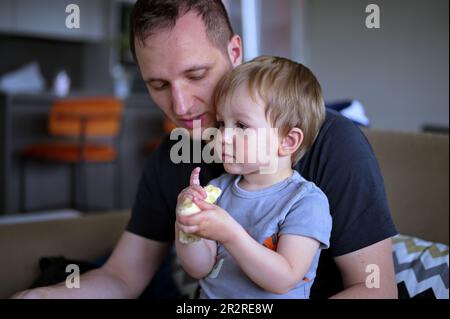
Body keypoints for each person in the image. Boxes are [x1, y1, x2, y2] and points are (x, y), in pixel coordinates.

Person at [14, 0, 398, 299]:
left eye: (195, 75)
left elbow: (376, 289)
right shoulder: (173, 154)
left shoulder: (332, 143)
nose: (180, 106)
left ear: (234, 52)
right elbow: (122, 276)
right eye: (158, 85)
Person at [175, 56, 332, 298]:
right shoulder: (217, 190)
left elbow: (284, 278)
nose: (224, 137)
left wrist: (230, 234)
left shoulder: (306, 202)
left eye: (241, 125)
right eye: (221, 124)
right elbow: (199, 268)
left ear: (287, 141)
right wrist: (187, 225)